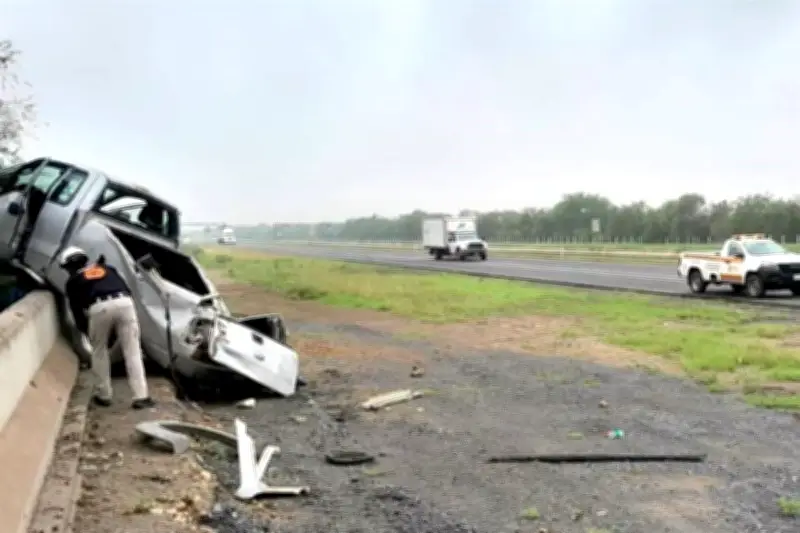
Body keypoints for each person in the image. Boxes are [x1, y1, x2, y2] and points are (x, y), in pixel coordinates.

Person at [59, 246, 155, 409]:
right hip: (125, 302)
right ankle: (141, 396)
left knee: (99, 351)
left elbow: (77, 313)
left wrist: (87, 331)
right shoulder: (107, 269)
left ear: (68, 267)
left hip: (98, 307)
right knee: (132, 351)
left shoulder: (73, 281)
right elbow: (127, 289)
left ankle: (104, 395)